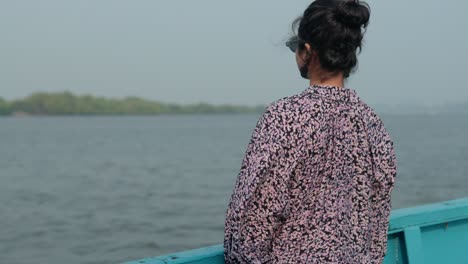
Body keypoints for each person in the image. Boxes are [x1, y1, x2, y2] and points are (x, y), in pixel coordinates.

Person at [223, 0, 398, 263]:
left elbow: (253, 220)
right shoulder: (372, 124)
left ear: (307, 51)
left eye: (295, 47)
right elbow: (377, 220)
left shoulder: (284, 117)